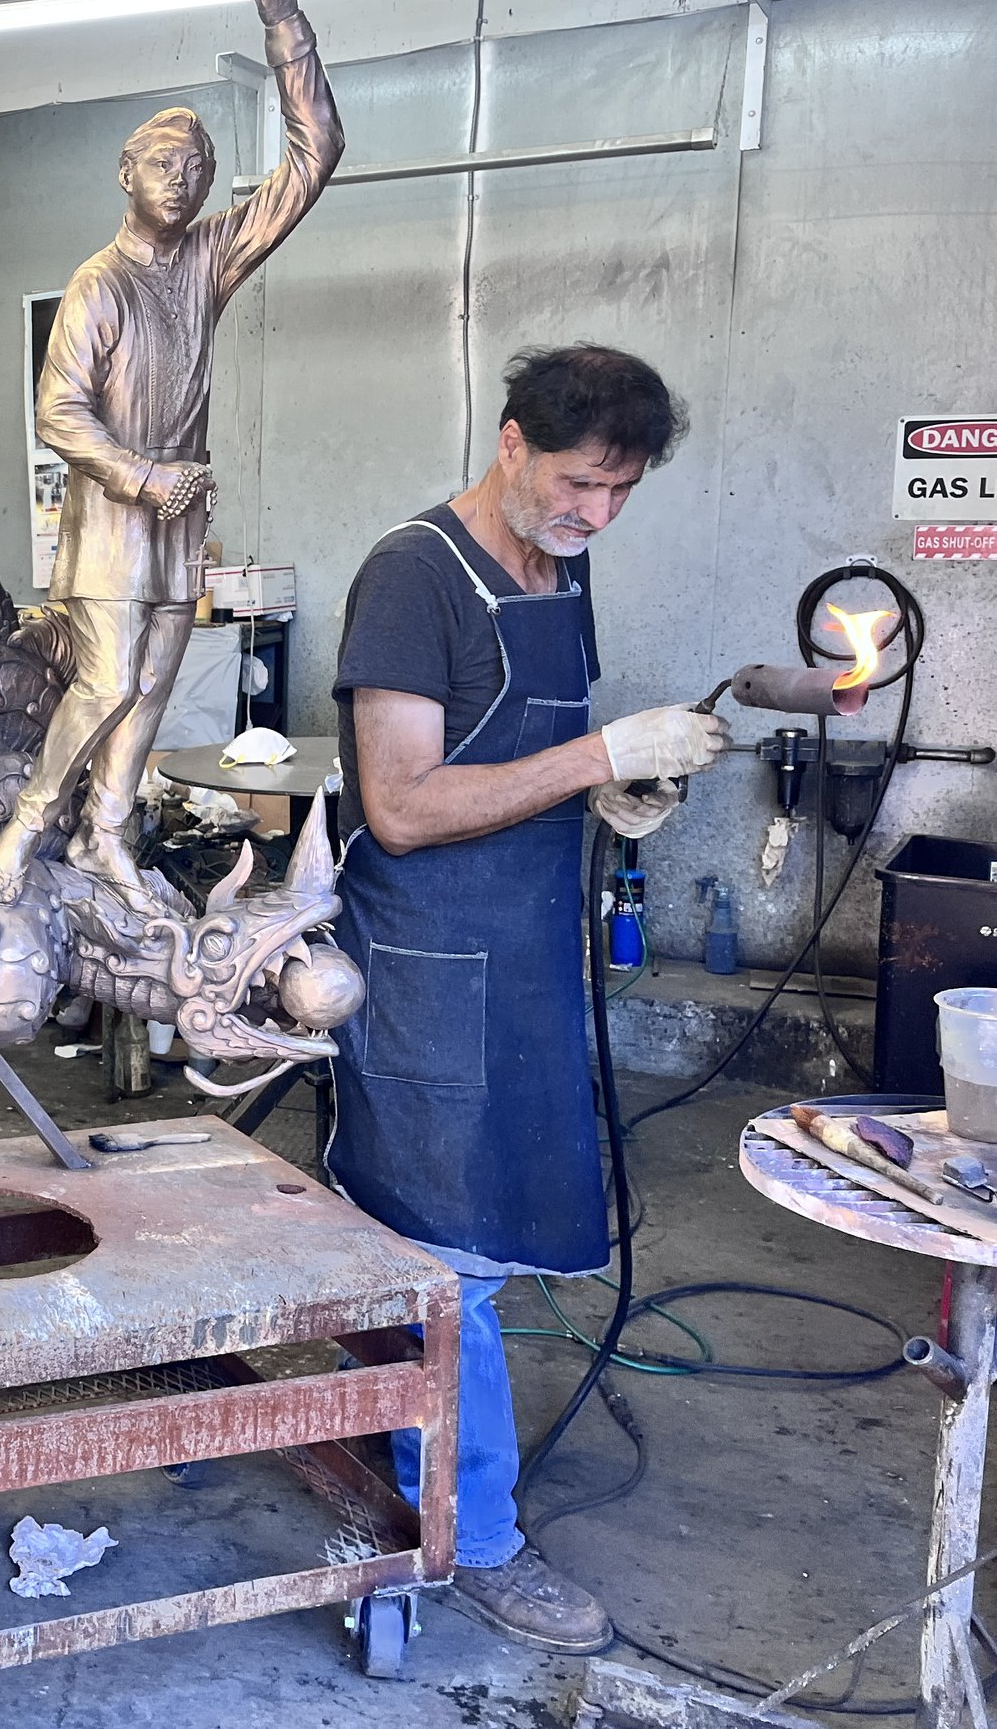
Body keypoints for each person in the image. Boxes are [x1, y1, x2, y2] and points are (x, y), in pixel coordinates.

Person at [326, 345, 728, 1654]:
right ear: (510, 440)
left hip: (531, 951)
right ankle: (470, 1532)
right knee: (443, 1260)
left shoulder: (563, 570)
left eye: (621, 490)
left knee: (492, 1235)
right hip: (433, 965)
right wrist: (598, 750)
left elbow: (536, 759)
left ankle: (413, 1459)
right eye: (576, 481)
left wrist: (611, 792)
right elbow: (401, 801)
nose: (595, 512)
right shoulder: (411, 575)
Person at [0, 0, 342, 904]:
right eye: (165, 163)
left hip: (180, 524)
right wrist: (142, 477)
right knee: (100, 684)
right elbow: (58, 413)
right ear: (124, 172)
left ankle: (106, 835)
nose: (184, 178)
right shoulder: (98, 285)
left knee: (149, 688)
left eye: (200, 165)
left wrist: (282, 19)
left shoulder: (208, 261)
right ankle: (21, 835)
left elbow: (316, 156)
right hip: (111, 527)